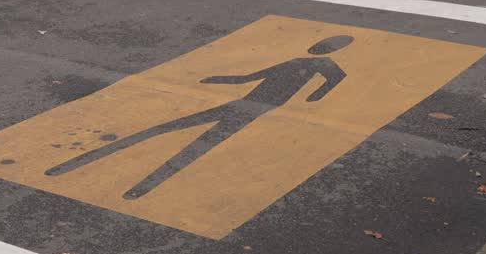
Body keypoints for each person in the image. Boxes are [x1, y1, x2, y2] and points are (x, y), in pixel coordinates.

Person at [45, 35, 354, 199]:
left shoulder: (324, 66)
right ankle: (103, 175)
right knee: (170, 132)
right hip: (243, 103)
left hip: (256, 109)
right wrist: (218, 79)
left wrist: (314, 97)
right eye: (320, 43)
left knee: (193, 144)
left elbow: (336, 79)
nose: (319, 46)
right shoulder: (297, 59)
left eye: (326, 45)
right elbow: (251, 76)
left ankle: (140, 188)